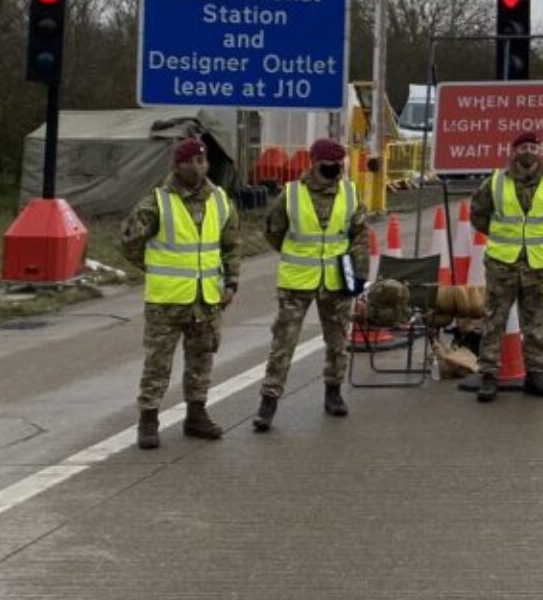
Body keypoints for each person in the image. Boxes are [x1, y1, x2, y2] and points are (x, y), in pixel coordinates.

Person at [119, 136, 240, 449]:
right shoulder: (157, 201)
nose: (199, 167)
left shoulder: (220, 200)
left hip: (206, 297)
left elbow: (230, 245)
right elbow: (130, 241)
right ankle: (148, 420)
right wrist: (154, 267)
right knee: (158, 363)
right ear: (178, 165)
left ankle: (196, 415)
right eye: (193, 161)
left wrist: (231, 282)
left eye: (203, 161)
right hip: (167, 300)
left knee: (201, 359)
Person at [254, 138, 366, 431]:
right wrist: (297, 255)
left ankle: (334, 393)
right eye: (329, 164)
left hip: (337, 280)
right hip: (297, 281)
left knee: (338, 342)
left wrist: (359, 275)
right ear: (314, 163)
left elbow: (359, 237)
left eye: (338, 165)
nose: (335, 170)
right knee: (283, 343)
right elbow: (273, 231)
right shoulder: (290, 194)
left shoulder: (350, 193)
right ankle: (268, 401)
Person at [469, 131, 543, 402]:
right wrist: (503, 236)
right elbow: (478, 214)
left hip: (538, 262)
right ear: (513, 152)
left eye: (533, 147)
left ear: (540, 152)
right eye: (524, 147)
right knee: (494, 320)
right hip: (503, 262)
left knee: (536, 321)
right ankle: (489, 375)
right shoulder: (496, 182)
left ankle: (535, 374)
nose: (529, 152)